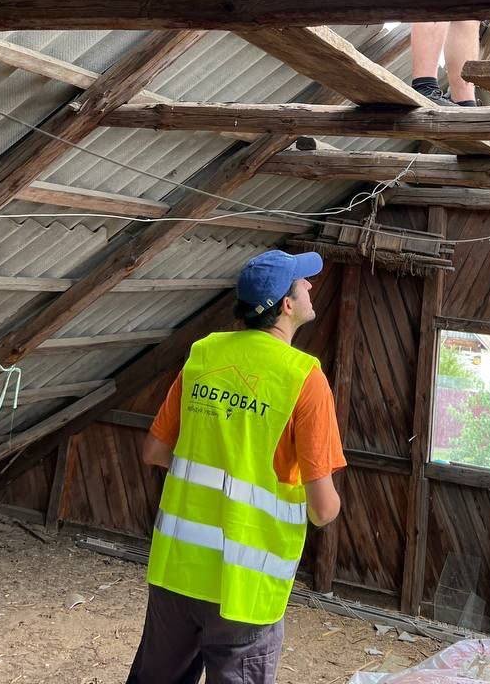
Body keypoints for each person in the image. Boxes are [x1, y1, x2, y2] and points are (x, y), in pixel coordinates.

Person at [126, 248, 345, 684]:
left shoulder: (204, 355)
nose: (310, 286)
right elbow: (323, 511)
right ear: (286, 305)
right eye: (303, 282)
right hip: (245, 588)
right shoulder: (304, 377)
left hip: (177, 569)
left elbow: (153, 451)